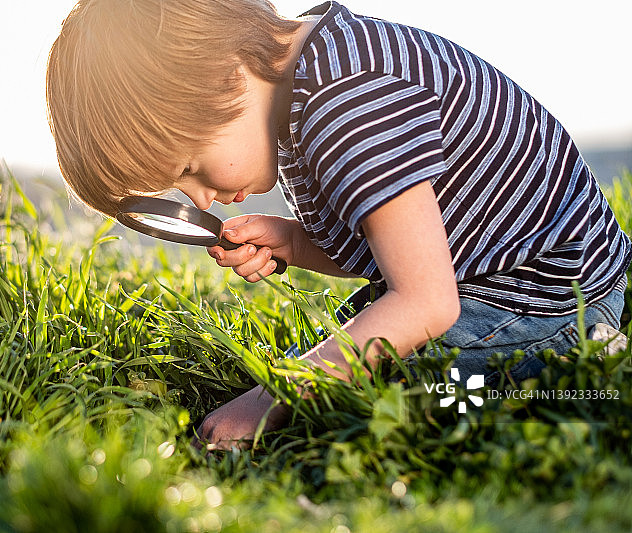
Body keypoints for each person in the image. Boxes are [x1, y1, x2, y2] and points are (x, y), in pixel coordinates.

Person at [46, 0, 631, 449]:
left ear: (224, 78)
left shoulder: (344, 105)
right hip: (511, 269)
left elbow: (426, 300)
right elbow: (402, 236)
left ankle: (585, 363)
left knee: (391, 400)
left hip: (547, 297)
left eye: (190, 167)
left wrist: (269, 401)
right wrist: (296, 242)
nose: (200, 195)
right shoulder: (314, 71)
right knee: (345, 360)